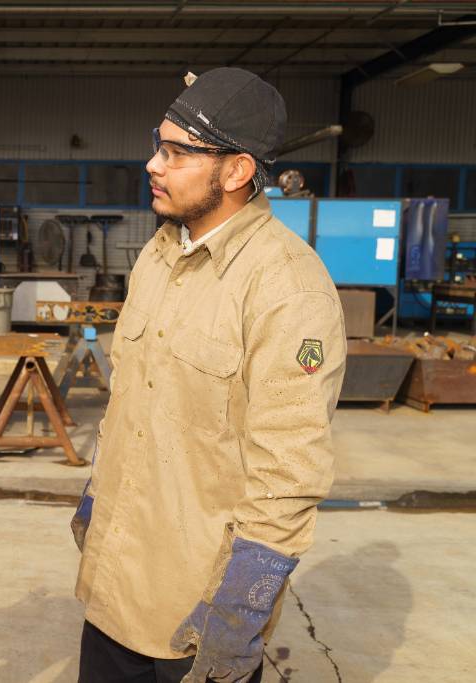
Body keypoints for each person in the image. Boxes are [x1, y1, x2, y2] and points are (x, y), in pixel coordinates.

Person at [70, 68, 346, 683]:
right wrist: (97, 498)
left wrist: (240, 608)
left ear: (237, 170)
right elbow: (131, 406)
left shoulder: (288, 289)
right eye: (156, 144)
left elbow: (289, 470)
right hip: (116, 585)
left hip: (194, 610)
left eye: (176, 152)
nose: (153, 164)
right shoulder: (158, 255)